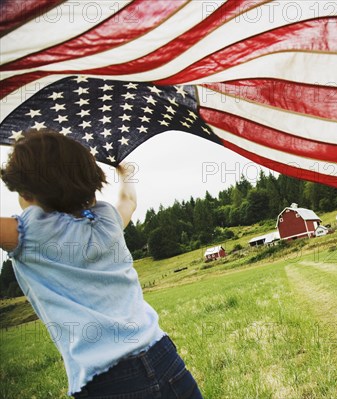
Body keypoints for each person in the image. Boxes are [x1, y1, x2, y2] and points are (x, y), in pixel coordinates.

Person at [0, 129, 203, 398]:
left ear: (25, 190)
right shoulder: (106, 219)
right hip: (163, 356)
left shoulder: (28, 232)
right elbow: (128, 201)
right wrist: (125, 173)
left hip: (108, 382)